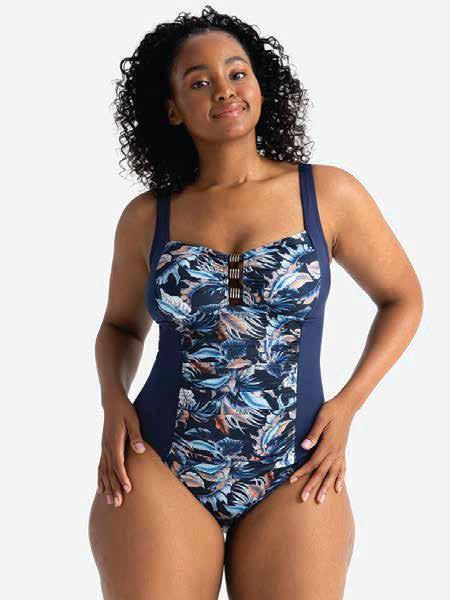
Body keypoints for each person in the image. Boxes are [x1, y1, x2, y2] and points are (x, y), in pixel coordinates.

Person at [88, 6, 423, 599]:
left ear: (261, 85)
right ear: (172, 109)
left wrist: (347, 407)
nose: (224, 89)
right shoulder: (147, 217)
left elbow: (403, 298)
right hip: (158, 462)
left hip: (299, 465)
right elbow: (120, 327)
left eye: (236, 72)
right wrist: (113, 400)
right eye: (199, 81)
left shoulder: (328, 193)